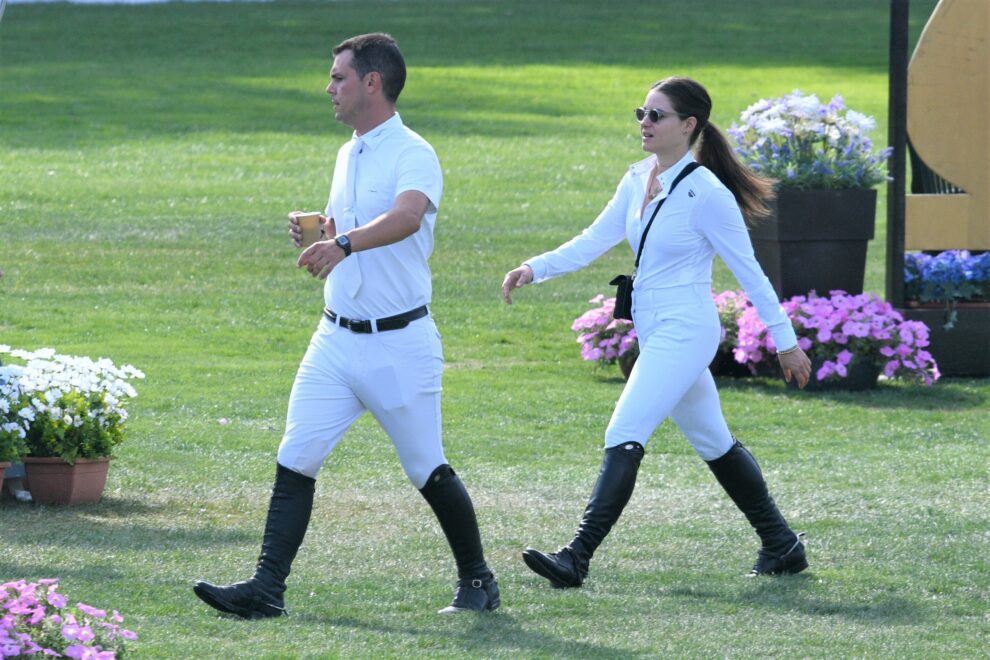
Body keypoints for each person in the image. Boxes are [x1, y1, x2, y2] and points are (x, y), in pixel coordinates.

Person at [194, 33, 499, 618]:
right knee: (296, 454)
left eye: (338, 77)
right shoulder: (348, 151)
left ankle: (479, 581)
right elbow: (357, 224)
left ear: (372, 83)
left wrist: (343, 242)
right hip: (335, 338)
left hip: (399, 344)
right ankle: (266, 590)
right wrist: (323, 230)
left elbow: (407, 217)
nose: (329, 88)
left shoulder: (415, 152)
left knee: (425, 467)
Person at [501, 76, 813, 588]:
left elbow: (751, 273)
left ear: (689, 126)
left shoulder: (706, 193)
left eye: (656, 115)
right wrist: (534, 268)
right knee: (714, 441)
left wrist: (786, 343)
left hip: (685, 330)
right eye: (641, 113)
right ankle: (782, 545)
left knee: (623, 432)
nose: (644, 123)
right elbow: (592, 240)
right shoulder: (637, 176)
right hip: (658, 329)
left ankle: (576, 556)